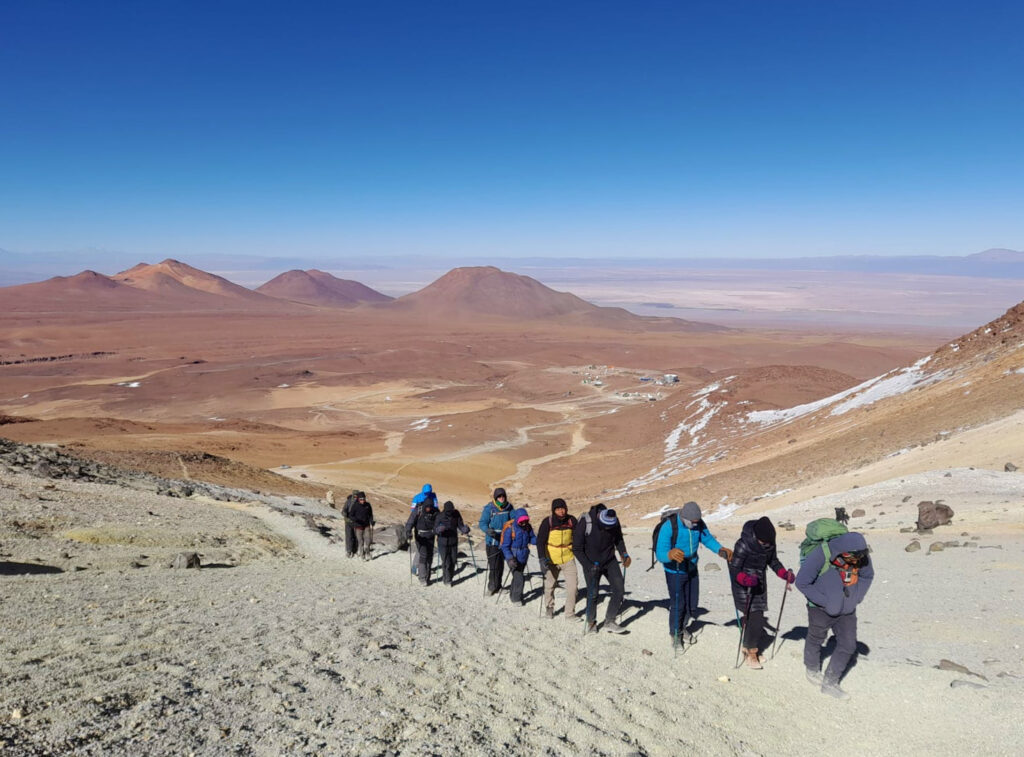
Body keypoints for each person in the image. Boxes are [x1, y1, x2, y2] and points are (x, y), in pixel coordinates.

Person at [795, 531, 874, 699]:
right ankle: (812, 669)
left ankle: (830, 683)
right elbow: (802, 582)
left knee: (848, 645)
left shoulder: (860, 555)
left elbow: (867, 576)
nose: (857, 561)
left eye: (859, 557)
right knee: (816, 638)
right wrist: (824, 601)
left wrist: (856, 597)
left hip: (847, 609)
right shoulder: (821, 554)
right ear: (842, 551)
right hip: (820, 609)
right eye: (852, 558)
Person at [653, 501, 732, 645]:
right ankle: (675, 634)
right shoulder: (669, 526)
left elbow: (707, 538)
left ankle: (682, 628)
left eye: (697, 522)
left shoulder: (698, 523)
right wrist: (670, 554)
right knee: (678, 604)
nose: (695, 525)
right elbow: (660, 554)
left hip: (691, 567)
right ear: (684, 518)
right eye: (693, 522)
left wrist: (719, 549)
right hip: (674, 570)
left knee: (692, 604)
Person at [728, 516, 794, 669]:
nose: (767, 545)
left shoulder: (769, 544)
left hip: (759, 584)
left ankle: (747, 647)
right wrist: (744, 579)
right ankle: (751, 652)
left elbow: (773, 561)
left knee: (754, 618)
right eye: (764, 542)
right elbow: (734, 569)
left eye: (769, 542)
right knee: (756, 619)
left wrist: (784, 574)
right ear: (756, 537)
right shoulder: (743, 544)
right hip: (743, 586)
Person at [573, 504, 630, 633]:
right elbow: (576, 548)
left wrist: (624, 554)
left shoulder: (614, 521)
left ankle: (610, 621)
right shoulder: (586, 522)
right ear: (599, 518)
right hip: (590, 562)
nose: (607, 529)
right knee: (593, 593)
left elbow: (619, 539)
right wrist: (588, 566)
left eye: (610, 527)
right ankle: (591, 622)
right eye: (605, 526)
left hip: (610, 560)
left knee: (619, 589)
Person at [535, 498, 578, 620]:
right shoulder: (547, 522)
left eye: (562, 508)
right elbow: (540, 541)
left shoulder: (572, 520)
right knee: (550, 585)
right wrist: (542, 558)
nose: (561, 511)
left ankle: (570, 613)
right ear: (553, 510)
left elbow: (578, 538)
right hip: (551, 559)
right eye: (558, 509)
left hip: (568, 558)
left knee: (573, 587)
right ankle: (549, 608)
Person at [478, 487, 513, 595]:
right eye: (499, 496)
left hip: (504, 541)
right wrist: (488, 530)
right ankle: (491, 587)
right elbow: (482, 523)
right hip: (492, 541)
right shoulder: (489, 508)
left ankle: (498, 586)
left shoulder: (509, 507)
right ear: (495, 497)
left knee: (501, 565)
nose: (501, 498)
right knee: (493, 565)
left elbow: (514, 519)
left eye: (503, 496)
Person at [499, 508, 537, 604]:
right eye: (522, 521)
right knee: (519, 577)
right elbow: (505, 546)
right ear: (517, 519)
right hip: (513, 557)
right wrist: (509, 559)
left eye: (525, 521)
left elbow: (532, 538)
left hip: (523, 556)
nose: (524, 523)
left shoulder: (528, 527)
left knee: (517, 577)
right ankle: (516, 599)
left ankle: (512, 594)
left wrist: (539, 540)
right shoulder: (510, 529)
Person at [434, 500, 471, 585]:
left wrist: (465, 530)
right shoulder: (440, 516)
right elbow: (434, 530)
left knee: (453, 560)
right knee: (446, 561)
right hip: (443, 542)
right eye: (448, 511)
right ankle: (447, 580)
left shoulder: (456, 514)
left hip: (453, 541)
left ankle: (449, 577)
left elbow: (460, 525)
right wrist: (439, 529)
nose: (450, 512)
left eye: (451, 510)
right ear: (445, 510)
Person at [405, 496, 439, 586]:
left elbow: (439, 522)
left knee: (430, 556)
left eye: (430, 507)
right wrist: (408, 531)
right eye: (427, 507)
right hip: (420, 536)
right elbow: (410, 522)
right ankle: (422, 578)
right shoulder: (418, 510)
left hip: (431, 536)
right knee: (423, 555)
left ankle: (427, 577)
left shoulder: (435, 512)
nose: (429, 509)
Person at [345, 491, 376, 561]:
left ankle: (368, 553)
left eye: (364, 499)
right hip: (358, 526)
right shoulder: (355, 506)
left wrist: (371, 521)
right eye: (361, 499)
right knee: (360, 541)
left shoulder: (368, 505)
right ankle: (362, 555)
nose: (363, 501)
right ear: (358, 499)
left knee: (368, 540)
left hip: (366, 525)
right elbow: (351, 515)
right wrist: (356, 520)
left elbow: (370, 515)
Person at [340, 489, 361, 558]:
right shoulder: (348, 501)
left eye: (357, 495)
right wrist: (346, 517)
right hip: (348, 521)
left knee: (357, 536)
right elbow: (343, 511)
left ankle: (355, 550)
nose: (356, 497)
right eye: (355, 495)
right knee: (349, 536)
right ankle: (349, 551)